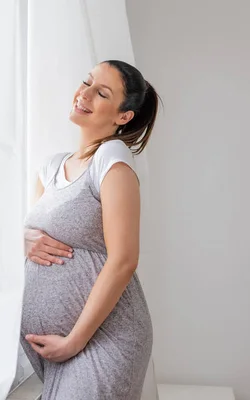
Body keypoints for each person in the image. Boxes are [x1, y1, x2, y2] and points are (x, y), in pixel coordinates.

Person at [20, 60, 160, 400]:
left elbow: (124, 260)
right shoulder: (52, 167)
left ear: (123, 116)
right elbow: (28, 231)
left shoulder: (111, 158)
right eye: (86, 82)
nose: (84, 94)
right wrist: (22, 239)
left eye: (101, 93)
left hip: (103, 340)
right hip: (57, 352)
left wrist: (74, 341)